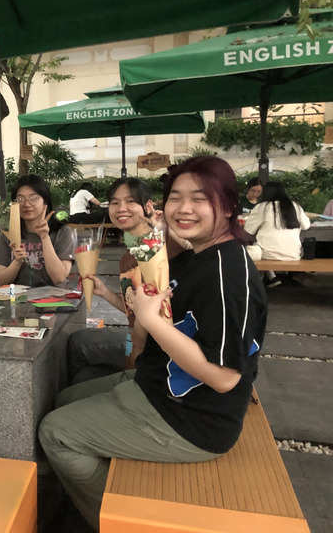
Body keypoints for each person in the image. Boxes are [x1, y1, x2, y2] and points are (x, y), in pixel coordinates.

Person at [39, 156, 267, 531]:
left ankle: (117, 520)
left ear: (227, 206)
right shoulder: (198, 256)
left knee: (54, 432)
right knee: (64, 399)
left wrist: (148, 320)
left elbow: (225, 378)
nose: (184, 208)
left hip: (193, 420)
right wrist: (135, 305)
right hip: (158, 385)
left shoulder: (227, 275)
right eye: (176, 197)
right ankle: (91, 475)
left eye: (199, 198)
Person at [66, 177, 156, 385]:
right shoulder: (128, 255)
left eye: (130, 201)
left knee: (79, 343)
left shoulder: (157, 248)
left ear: (148, 206)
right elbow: (132, 309)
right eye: (115, 202)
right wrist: (104, 292)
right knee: (85, 376)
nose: (121, 208)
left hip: (155, 348)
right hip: (136, 337)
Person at [0, 174, 75, 287]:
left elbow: (59, 278)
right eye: (20, 199)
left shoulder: (62, 232)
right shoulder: (8, 234)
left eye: (33, 198)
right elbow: (2, 280)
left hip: (55, 296)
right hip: (19, 296)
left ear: (45, 202)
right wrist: (17, 262)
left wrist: (44, 237)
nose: (27, 204)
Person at [244, 181, 311, 287]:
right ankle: (271, 278)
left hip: (267, 254)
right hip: (293, 254)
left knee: (252, 248)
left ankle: (259, 283)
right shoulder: (295, 206)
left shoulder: (262, 207)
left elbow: (248, 230)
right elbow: (306, 226)